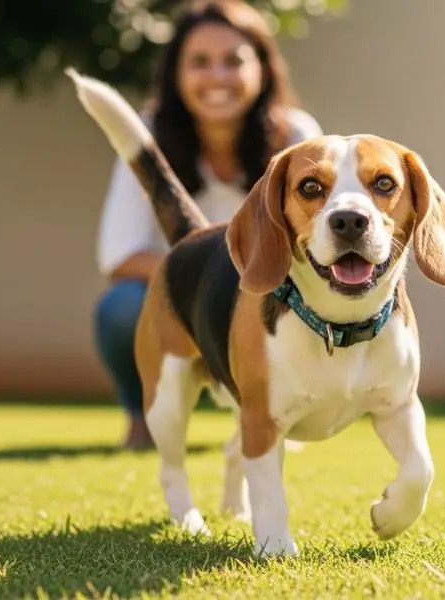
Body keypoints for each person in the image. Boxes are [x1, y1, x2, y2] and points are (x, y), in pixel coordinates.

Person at [92, 0, 323, 450]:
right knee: (120, 307)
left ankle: (284, 407)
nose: (217, 77)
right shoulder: (150, 132)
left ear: (262, 69)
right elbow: (119, 256)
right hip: (184, 303)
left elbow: (316, 244)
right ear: (176, 74)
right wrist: (212, 276)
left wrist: (256, 278)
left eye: (234, 61)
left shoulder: (297, 135)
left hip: (270, 300)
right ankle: (143, 415)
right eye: (200, 62)